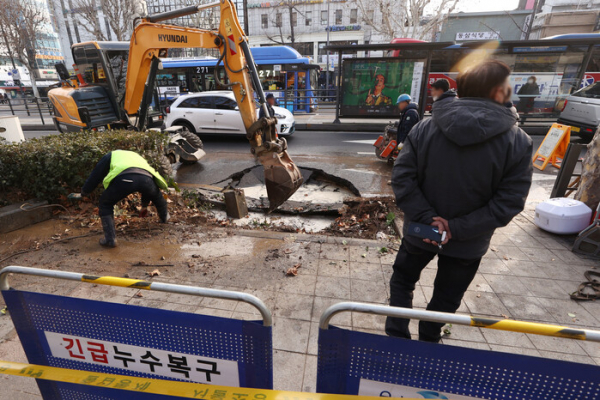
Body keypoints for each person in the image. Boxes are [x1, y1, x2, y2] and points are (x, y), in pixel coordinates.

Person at [386, 60, 533, 343]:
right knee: (447, 296)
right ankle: (429, 340)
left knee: (403, 280)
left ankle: (396, 337)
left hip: (420, 232)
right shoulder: (518, 142)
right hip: (468, 242)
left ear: (461, 89)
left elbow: (402, 178)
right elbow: (510, 202)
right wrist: (456, 228)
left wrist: (430, 219)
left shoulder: (424, 129)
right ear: (500, 92)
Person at [81, 150, 170, 248]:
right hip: (147, 180)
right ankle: (164, 219)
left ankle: (110, 240)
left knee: (105, 203)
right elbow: (143, 182)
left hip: (124, 179)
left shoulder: (111, 155)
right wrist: (144, 206)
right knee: (157, 197)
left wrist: (85, 191)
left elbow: (96, 175)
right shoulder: (136, 156)